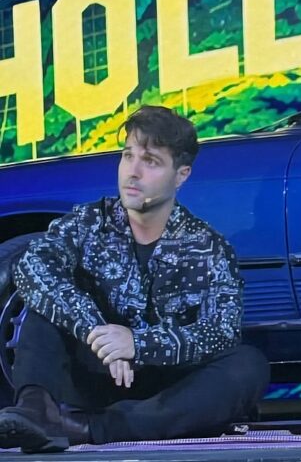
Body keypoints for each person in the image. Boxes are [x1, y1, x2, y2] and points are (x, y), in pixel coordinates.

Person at [0, 105, 270, 453]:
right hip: (93, 373)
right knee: (45, 301)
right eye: (128, 156)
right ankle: (36, 410)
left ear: (181, 175)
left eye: (151, 161)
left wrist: (137, 344)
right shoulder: (87, 222)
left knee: (249, 365)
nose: (133, 172)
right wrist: (96, 331)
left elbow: (221, 331)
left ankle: (85, 429)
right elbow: (32, 266)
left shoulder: (208, 247)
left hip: (165, 390)